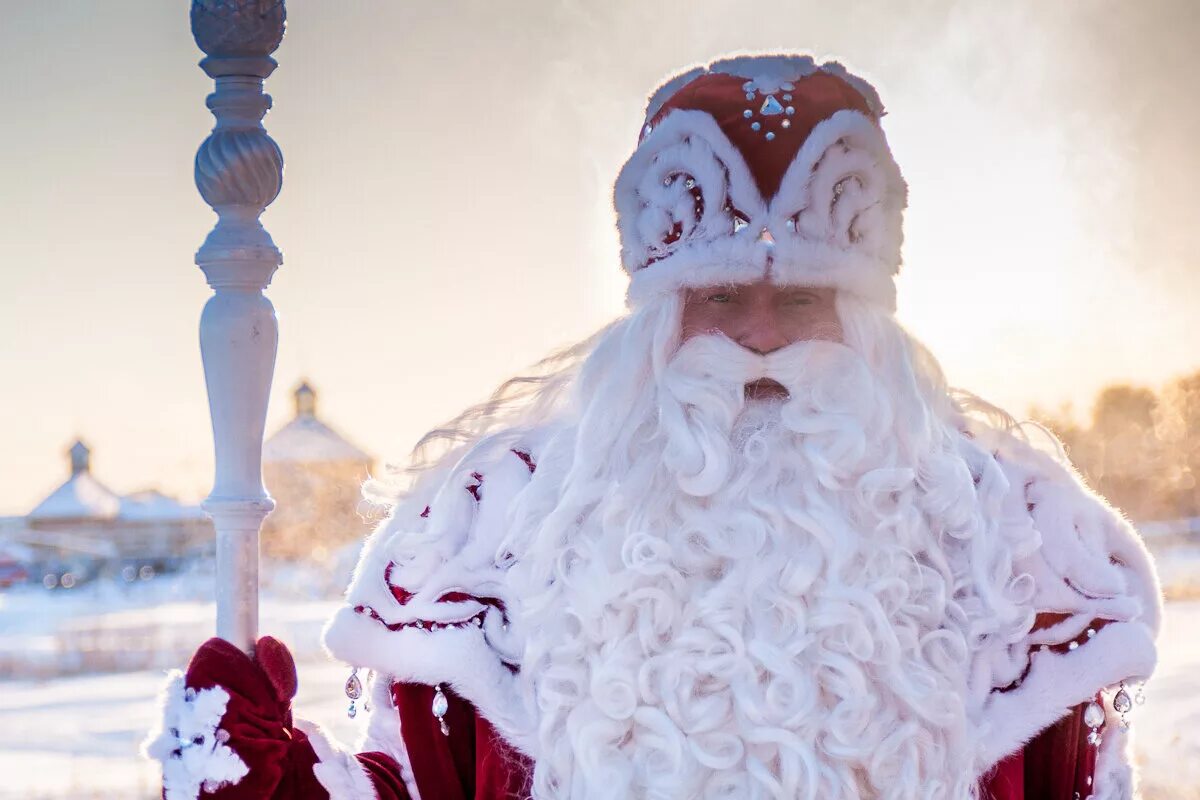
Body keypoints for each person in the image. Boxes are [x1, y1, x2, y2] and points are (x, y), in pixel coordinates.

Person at [145, 54, 1161, 800]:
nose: (760, 338)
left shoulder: (1017, 551)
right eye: (718, 297)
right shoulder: (496, 536)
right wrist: (270, 779)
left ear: (873, 319)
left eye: (805, 303)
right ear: (649, 316)